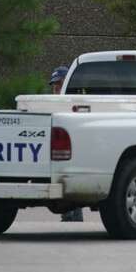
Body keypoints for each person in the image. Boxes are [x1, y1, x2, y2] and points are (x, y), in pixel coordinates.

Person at [48, 65, 83, 223]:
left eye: (59, 84)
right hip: (57, 157)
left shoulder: (74, 104)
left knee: (71, 192)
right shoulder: (51, 106)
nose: (56, 88)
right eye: (54, 85)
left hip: (72, 157)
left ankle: (72, 219)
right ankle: (70, 218)